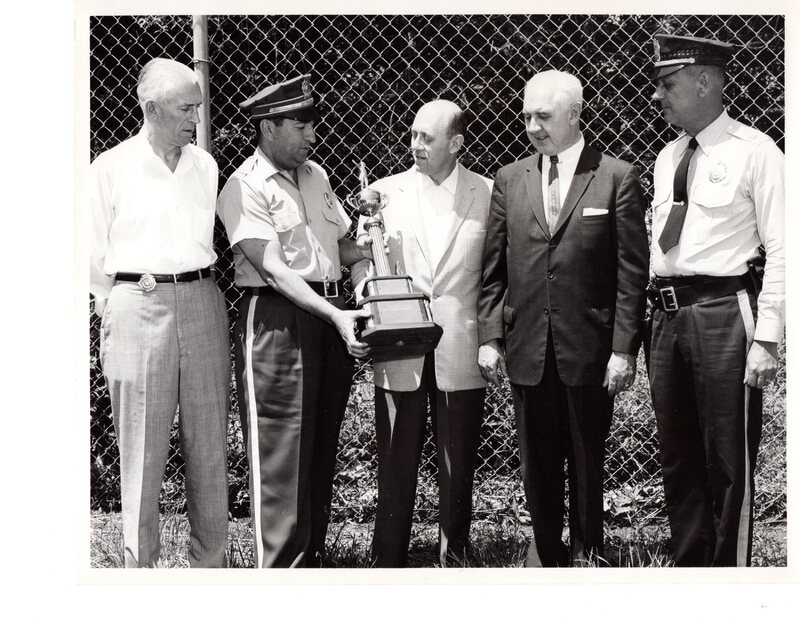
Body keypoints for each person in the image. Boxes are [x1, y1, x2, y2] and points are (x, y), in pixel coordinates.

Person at [477, 70, 649, 567]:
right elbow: (493, 271)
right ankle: (546, 559)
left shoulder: (616, 176)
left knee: (588, 461)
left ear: (575, 115)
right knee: (537, 466)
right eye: (527, 115)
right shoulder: (510, 178)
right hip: (527, 346)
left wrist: (622, 349)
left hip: (589, 350)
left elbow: (630, 274)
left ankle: (588, 556)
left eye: (543, 116)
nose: (532, 126)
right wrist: (491, 336)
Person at [217, 74, 372, 568]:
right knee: (281, 454)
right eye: (301, 126)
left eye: (312, 125)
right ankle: (279, 572)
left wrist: (369, 244)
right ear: (268, 126)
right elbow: (277, 270)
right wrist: (336, 314)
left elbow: (340, 249)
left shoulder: (317, 176)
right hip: (279, 320)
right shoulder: (244, 186)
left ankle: (313, 564)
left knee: (320, 446)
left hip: (329, 317)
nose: (312, 136)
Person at [647, 34, 784, 567]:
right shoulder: (668, 155)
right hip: (666, 317)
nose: (658, 96)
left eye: (668, 84)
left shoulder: (756, 152)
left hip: (726, 313)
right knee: (677, 455)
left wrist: (767, 338)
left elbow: (783, 247)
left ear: (705, 81)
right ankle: (691, 572)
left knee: (728, 458)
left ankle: (732, 578)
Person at [90, 58, 230, 568]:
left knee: (211, 449)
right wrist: (121, 311)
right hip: (136, 306)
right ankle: (139, 577)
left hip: (202, 301)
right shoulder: (110, 167)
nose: (197, 116)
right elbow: (89, 257)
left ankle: (210, 574)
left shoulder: (206, 166)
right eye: (185, 107)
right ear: (151, 108)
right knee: (142, 455)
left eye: (198, 104)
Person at [351, 100, 492, 567]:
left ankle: (455, 555)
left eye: (426, 138)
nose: (415, 145)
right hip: (399, 346)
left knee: (458, 461)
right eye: (412, 135)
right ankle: (388, 557)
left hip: (462, 345)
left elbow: (496, 276)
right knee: (395, 456)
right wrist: (367, 302)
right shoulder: (381, 195)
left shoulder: (490, 193)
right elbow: (360, 263)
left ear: (456, 143)